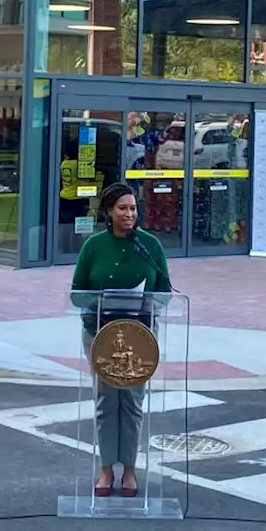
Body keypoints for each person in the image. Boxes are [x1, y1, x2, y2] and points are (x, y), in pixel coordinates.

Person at [70, 182, 172, 498]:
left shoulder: (150, 245)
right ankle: (105, 470)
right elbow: (76, 294)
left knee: (131, 403)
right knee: (105, 401)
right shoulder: (94, 246)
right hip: (99, 334)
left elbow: (165, 292)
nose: (129, 214)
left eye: (133, 208)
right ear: (109, 212)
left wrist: (149, 303)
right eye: (122, 209)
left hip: (138, 336)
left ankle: (129, 470)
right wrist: (97, 300)